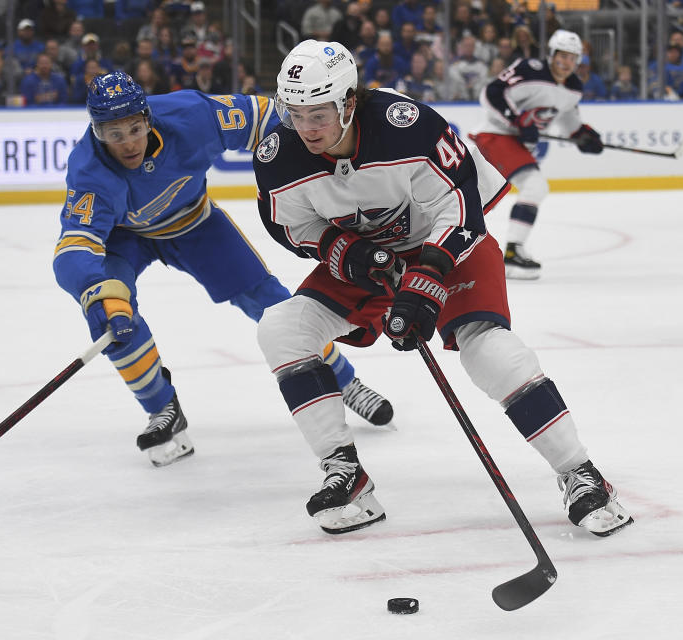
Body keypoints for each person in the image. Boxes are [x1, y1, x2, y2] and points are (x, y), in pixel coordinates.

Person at [252, 40, 633, 537]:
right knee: (282, 329)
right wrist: (348, 251)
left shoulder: (404, 126)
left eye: (319, 113)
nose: (307, 128)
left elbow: (461, 210)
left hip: (448, 247)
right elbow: (290, 226)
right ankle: (346, 474)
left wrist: (423, 284)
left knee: (488, 353)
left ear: (348, 101)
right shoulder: (279, 154)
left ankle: (581, 473)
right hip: (372, 260)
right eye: (295, 113)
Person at [54, 71, 395, 466]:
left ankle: (343, 379)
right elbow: (73, 248)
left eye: (134, 127)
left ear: (148, 118)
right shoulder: (87, 172)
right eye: (114, 134)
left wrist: (321, 163)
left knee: (270, 303)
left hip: (196, 224)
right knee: (111, 317)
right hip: (123, 240)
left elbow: (268, 115)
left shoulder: (191, 115)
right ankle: (161, 407)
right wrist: (98, 290)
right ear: (96, 133)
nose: (128, 142)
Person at [469, 30, 604, 279]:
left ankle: (501, 250)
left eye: (574, 59)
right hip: (495, 134)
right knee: (533, 186)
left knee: (479, 196)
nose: (568, 64)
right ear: (552, 55)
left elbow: (567, 119)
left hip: (514, 141)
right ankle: (511, 252)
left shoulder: (573, 87)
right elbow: (491, 93)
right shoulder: (529, 69)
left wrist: (582, 135)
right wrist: (517, 120)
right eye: (563, 56)